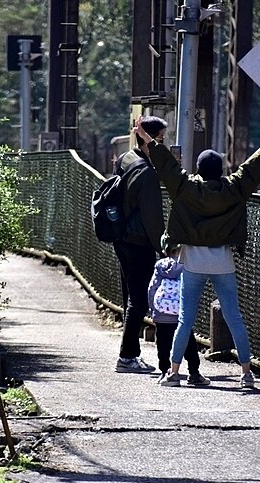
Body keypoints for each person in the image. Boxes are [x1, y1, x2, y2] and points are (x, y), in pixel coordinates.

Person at [133, 117, 260, 388]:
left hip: (193, 263)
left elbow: (166, 164)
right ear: (220, 169)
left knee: (185, 320)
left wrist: (145, 136)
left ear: (198, 169)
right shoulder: (234, 189)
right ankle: (246, 374)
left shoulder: (186, 188)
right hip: (224, 263)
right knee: (234, 317)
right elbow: (254, 167)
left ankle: (174, 373)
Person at [112, 116, 168, 373]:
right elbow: (153, 218)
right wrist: (165, 246)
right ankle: (126, 356)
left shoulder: (126, 159)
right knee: (139, 300)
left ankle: (131, 353)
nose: (163, 145)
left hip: (121, 237)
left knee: (129, 297)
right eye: (159, 139)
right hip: (139, 242)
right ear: (148, 140)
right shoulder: (147, 174)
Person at [148, 235, 210, 386]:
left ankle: (164, 371)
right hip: (181, 315)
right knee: (189, 345)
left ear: (164, 249)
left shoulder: (160, 266)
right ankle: (194, 373)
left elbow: (152, 288)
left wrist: (153, 310)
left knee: (163, 344)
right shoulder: (188, 266)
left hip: (162, 315)